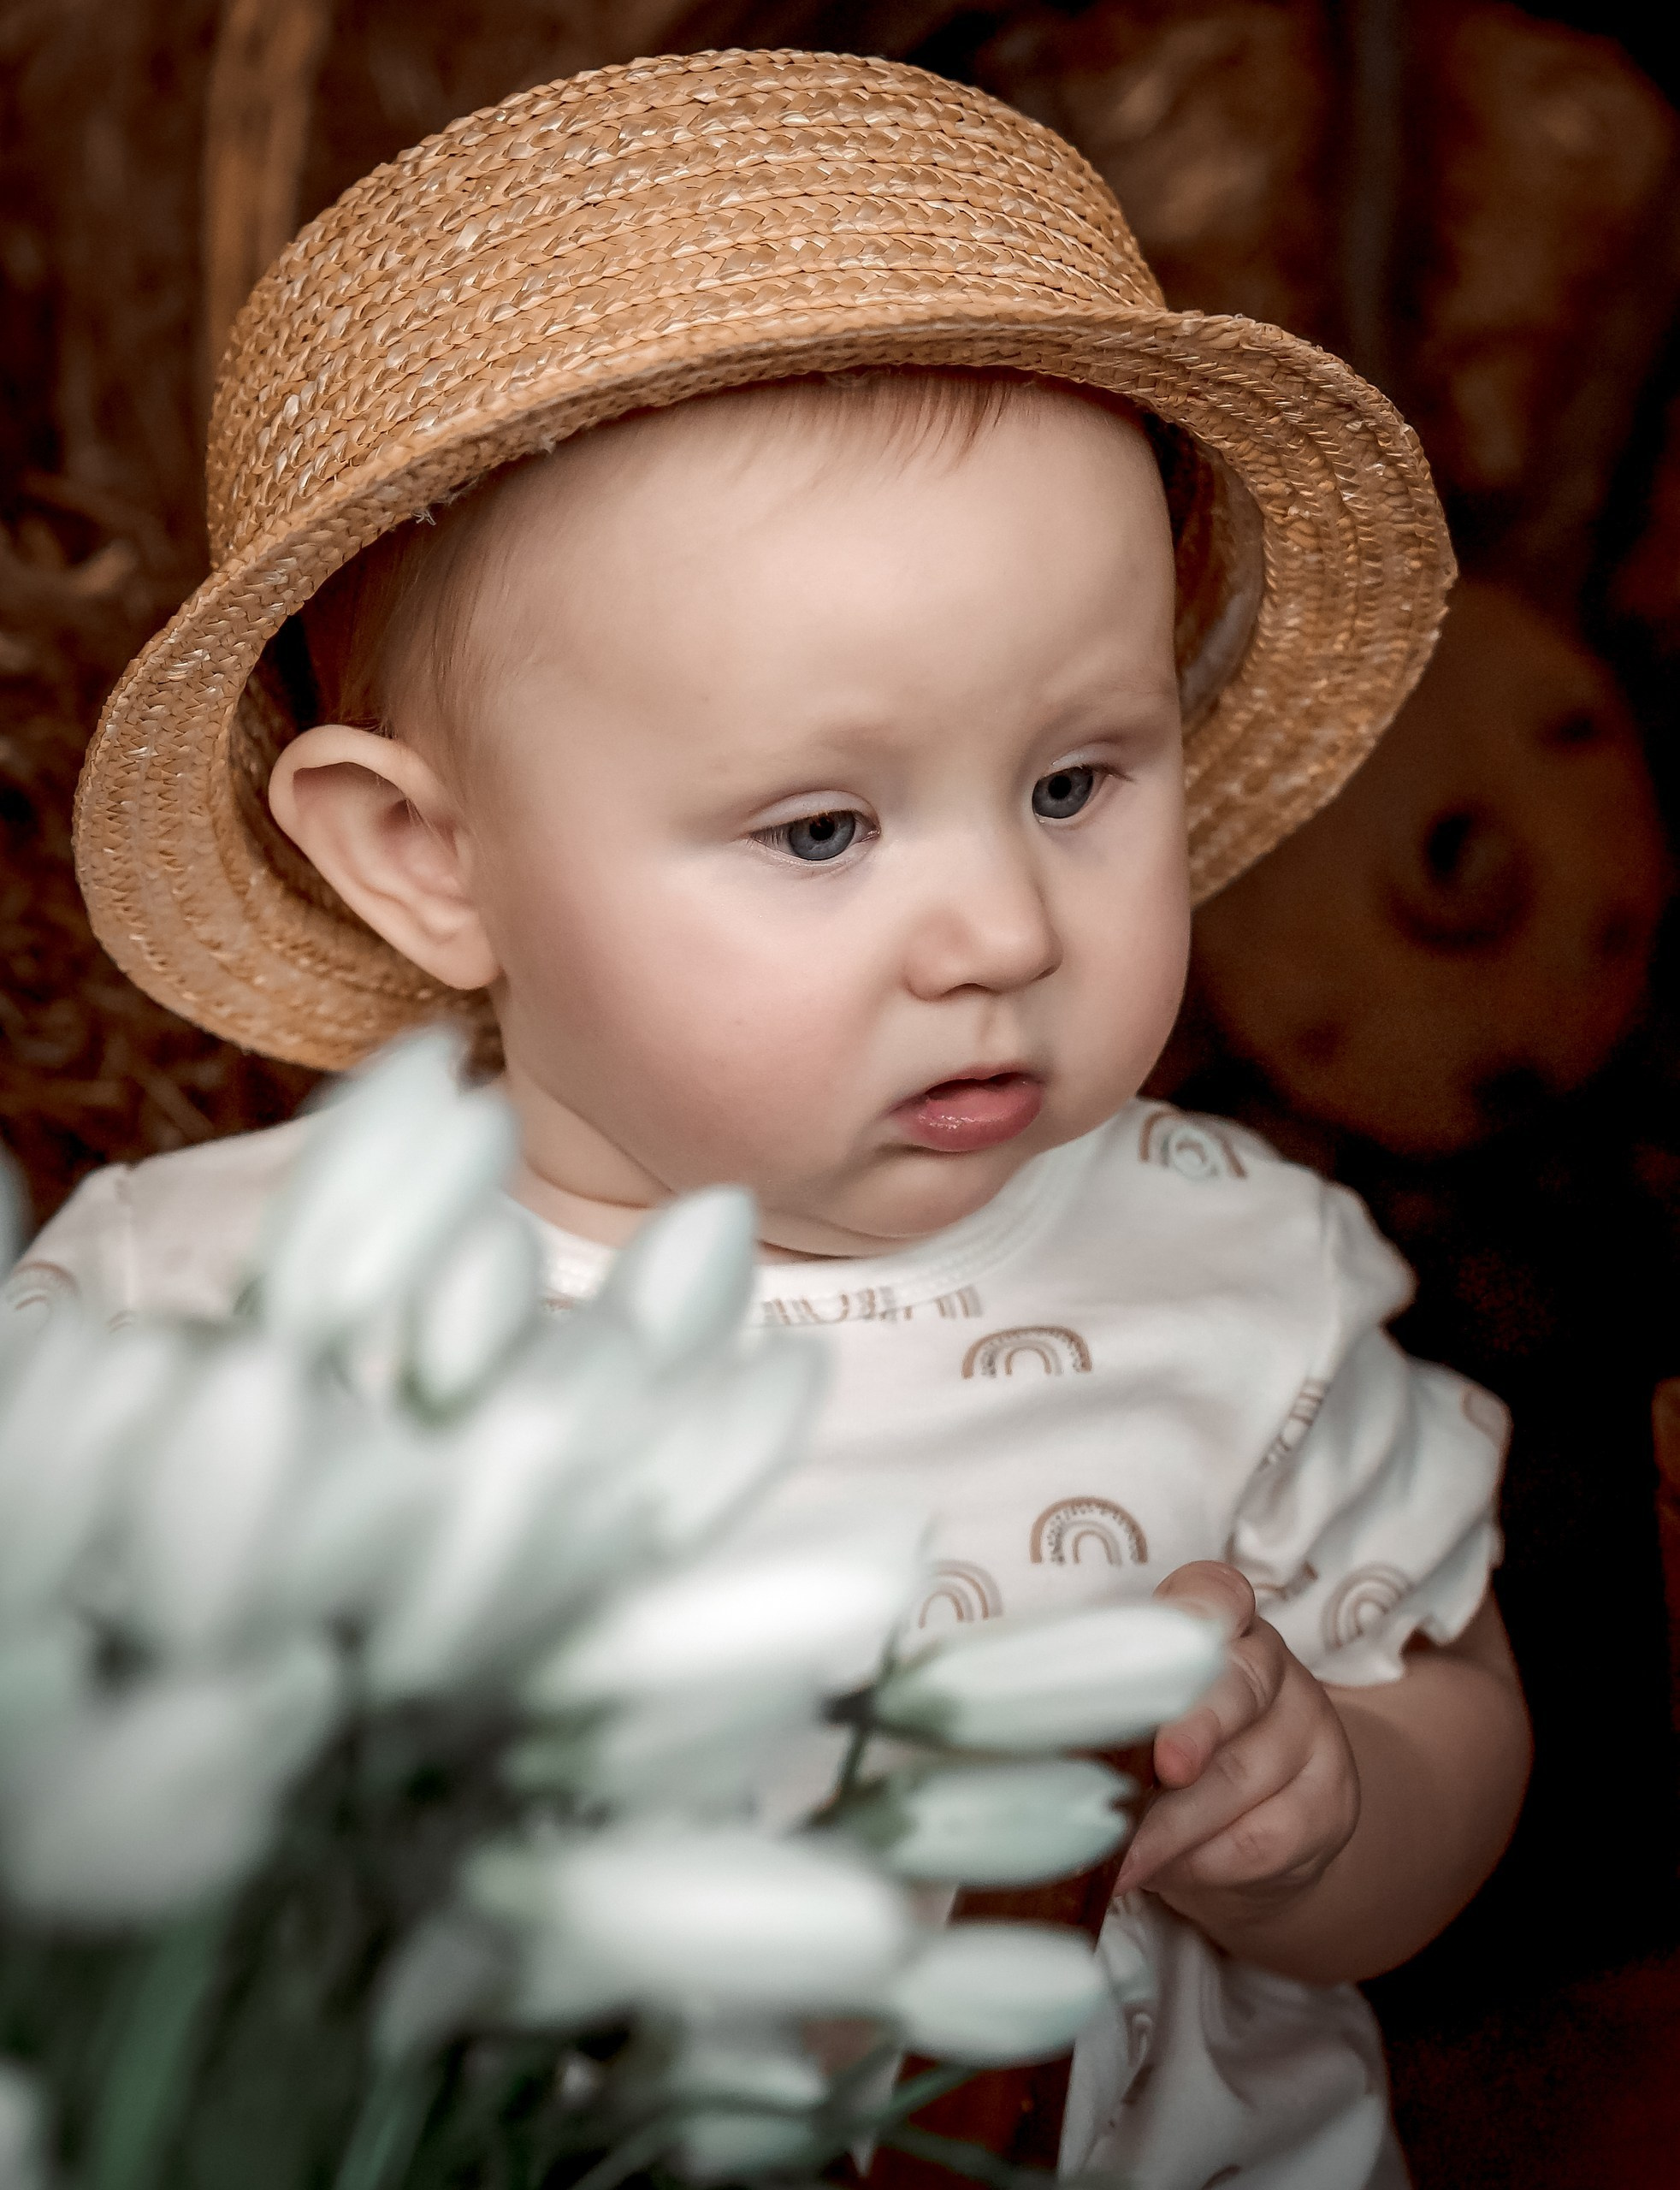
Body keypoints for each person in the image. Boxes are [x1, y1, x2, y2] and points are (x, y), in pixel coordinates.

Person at [11, 50, 1530, 2190]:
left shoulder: (1233, 1276)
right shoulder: (200, 1329)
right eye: (820, 828)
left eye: (1074, 781)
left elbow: (1455, 1733)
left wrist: (1331, 1809)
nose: (1002, 926)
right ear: (428, 859)